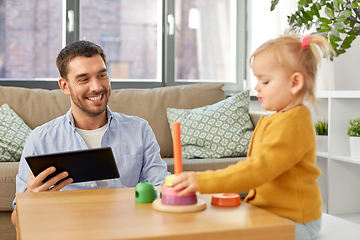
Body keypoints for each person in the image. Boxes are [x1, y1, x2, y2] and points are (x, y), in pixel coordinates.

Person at [172, 32, 335, 240]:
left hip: (294, 221)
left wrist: (202, 181)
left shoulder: (292, 124)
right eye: (257, 79)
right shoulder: (277, 118)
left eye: (265, 81)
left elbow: (258, 170)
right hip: (270, 213)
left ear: (295, 83)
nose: (256, 86)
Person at [11, 40, 170, 227]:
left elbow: (161, 190)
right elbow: (16, 221)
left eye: (102, 75)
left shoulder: (140, 130)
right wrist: (31, 198)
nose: (96, 87)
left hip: (127, 230)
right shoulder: (40, 140)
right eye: (83, 79)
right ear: (64, 86)